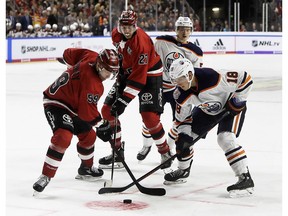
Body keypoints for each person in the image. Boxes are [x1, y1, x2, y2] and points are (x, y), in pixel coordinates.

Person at [32, 48, 119, 193]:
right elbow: (87, 113)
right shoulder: (93, 84)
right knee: (63, 136)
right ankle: (45, 176)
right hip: (57, 103)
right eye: (107, 71)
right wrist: (102, 125)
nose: (109, 75)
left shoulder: (91, 56)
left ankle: (86, 169)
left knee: (89, 136)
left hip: (75, 105)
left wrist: (68, 63)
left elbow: (69, 53)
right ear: (99, 66)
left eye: (112, 72)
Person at [164, 58, 254, 197]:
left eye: (179, 79)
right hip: (207, 110)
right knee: (185, 139)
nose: (176, 84)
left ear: (189, 75)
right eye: (174, 80)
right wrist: (184, 137)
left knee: (225, 139)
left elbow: (245, 79)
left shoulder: (214, 78)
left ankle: (245, 178)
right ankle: (183, 170)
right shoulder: (180, 94)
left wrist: (237, 101)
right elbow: (182, 120)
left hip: (229, 108)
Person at [98, 10, 172, 170]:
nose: (126, 30)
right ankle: (117, 152)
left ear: (135, 26)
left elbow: (139, 78)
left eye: (129, 27)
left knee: (150, 118)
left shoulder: (142, 43)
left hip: (150, 75)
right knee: (107, 111)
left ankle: (165, 152)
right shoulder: (116, 34)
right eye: (123, 26)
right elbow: (122, 53)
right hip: (128, 72)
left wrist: (123, 101)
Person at [137, 16, 203, 161]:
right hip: (157, 87)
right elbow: (148, 56)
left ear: (191, 31)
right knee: (150, 120)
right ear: (176, 29)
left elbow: (195, 75)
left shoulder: (195, 52)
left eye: (187, 29)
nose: (184, 32)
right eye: (181, 29)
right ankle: (146, 145)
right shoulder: (162, 42)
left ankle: (168, 150)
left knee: (179, 122)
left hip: (178, 90)